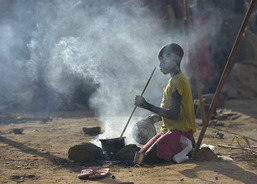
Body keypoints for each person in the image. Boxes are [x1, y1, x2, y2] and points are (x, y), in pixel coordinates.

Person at [134, 43, 196, 164]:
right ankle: (182, 151)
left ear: (176, 58)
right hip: (169, 130)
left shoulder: (179, 82)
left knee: (148, 158)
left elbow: (174, 114)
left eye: (163, 60)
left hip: (180, 132)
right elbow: (174, 111)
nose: (160, 65)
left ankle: (182, 152)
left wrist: (146, 106)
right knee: (142, 153)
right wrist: (155, 118)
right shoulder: (172, 81)